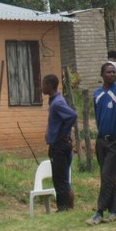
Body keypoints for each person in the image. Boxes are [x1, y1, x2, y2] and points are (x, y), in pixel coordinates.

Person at [87, 62, 116, 226]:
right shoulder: (97, 94)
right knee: (107, 177)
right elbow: (97, 116)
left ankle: (99, 212)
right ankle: (114, 211)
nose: (112, 74)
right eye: (108, 72)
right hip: (102, 140)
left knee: (107, 176)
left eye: (113, 72)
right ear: (102, 74)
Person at [41, 74, 77, 211]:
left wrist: (62, 133)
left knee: (59, 178)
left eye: (44, 84)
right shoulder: (54, 101)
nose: (42, 87)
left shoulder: (57, 103)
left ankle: (63, 207)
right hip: (58, 144)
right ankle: (67, 206)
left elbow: (72, 115)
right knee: (62, 177)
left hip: (60, 146)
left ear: (49, 86)